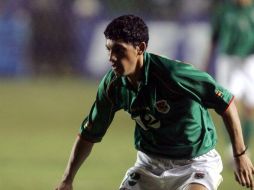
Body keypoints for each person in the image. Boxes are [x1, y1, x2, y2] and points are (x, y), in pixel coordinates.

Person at [55, 15, 254, 190]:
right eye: (108, 50)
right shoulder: (113, 85)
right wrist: (67, 179)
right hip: (149, 164)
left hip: (195, 162)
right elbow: (89, 134)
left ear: (140, 48)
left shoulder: (173, 74)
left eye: (119, 50)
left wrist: (240, 154)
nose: (112, 58)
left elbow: (226, 102)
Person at [206, 0, 254, 158]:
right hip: (227, 60)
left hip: (249, 61)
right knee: (228, 104)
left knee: (250, 107)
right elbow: (214, 37)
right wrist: (207, 61)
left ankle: (244, 146)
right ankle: (231, 147)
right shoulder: (224, 10)